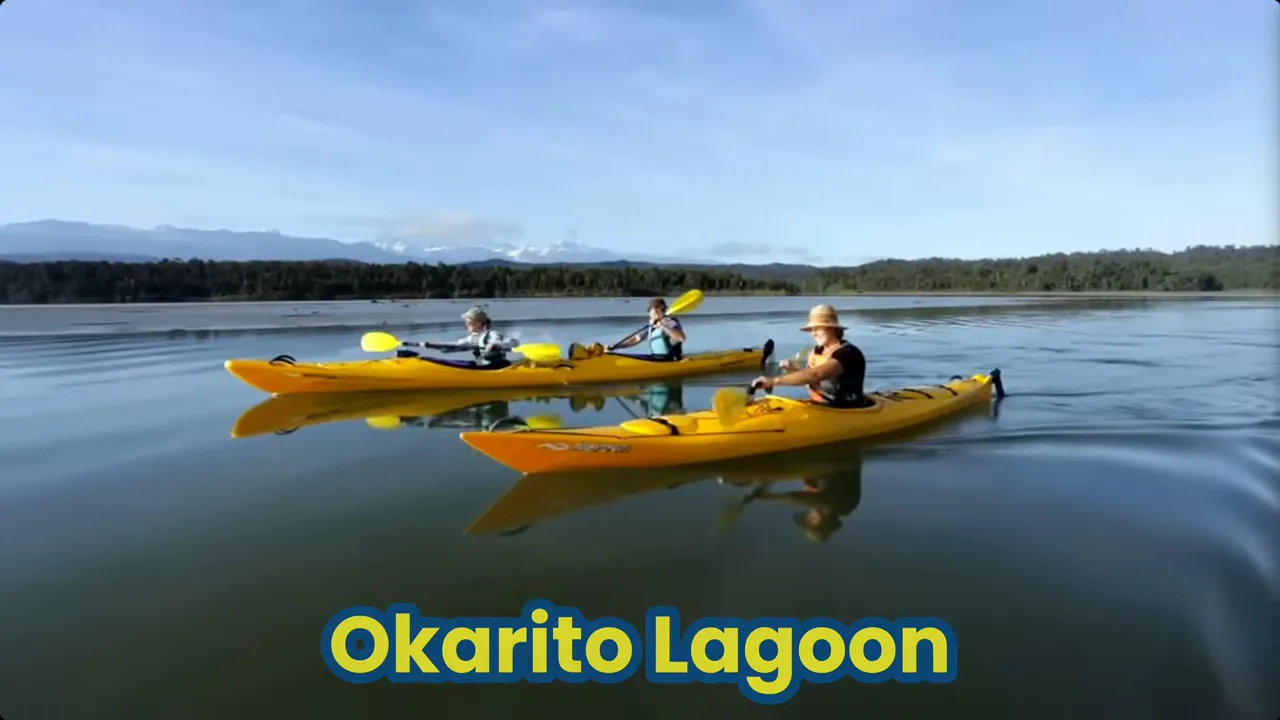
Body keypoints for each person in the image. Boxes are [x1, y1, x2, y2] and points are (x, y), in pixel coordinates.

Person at [751, 304, 869, 408]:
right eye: (812, 329)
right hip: (819, 406)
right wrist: (794, 370)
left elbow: (817, 374)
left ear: (832, 329)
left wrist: (773, 381)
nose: (813, 334)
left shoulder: (847, 353)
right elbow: (812, 380)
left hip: (845, 411)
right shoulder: (817, 352)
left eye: (817, 328)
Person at [403, 306, 517, 368]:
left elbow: (513, 342)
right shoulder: (472, 338)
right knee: (431, 360)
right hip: (481, 366)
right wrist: (429, 344)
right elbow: (456, 346)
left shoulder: (493, 334)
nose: (466, 324)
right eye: (466, 322)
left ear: (479, 322)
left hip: (496, 367)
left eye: (469, 322)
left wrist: (496, 345)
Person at [613, 298, 687, 360]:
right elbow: (636, 339)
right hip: (656, 358)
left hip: (670, 360)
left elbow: (681, 338)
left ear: (656, 311)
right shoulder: (652, 325)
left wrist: (662, 326)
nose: (650, 314)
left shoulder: (670, 322)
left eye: (652, 311)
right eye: (650, 311)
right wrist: (615, 347)